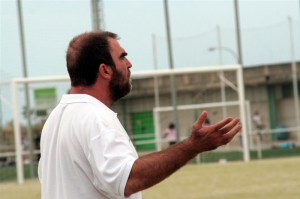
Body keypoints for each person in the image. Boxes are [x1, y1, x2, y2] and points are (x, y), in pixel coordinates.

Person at [38, 31, 241, 199]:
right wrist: (193, 146)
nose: (129, 63)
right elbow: (127, 180)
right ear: (105, 70)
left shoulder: (55, 119)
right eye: (122, 57)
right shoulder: (96, 117)